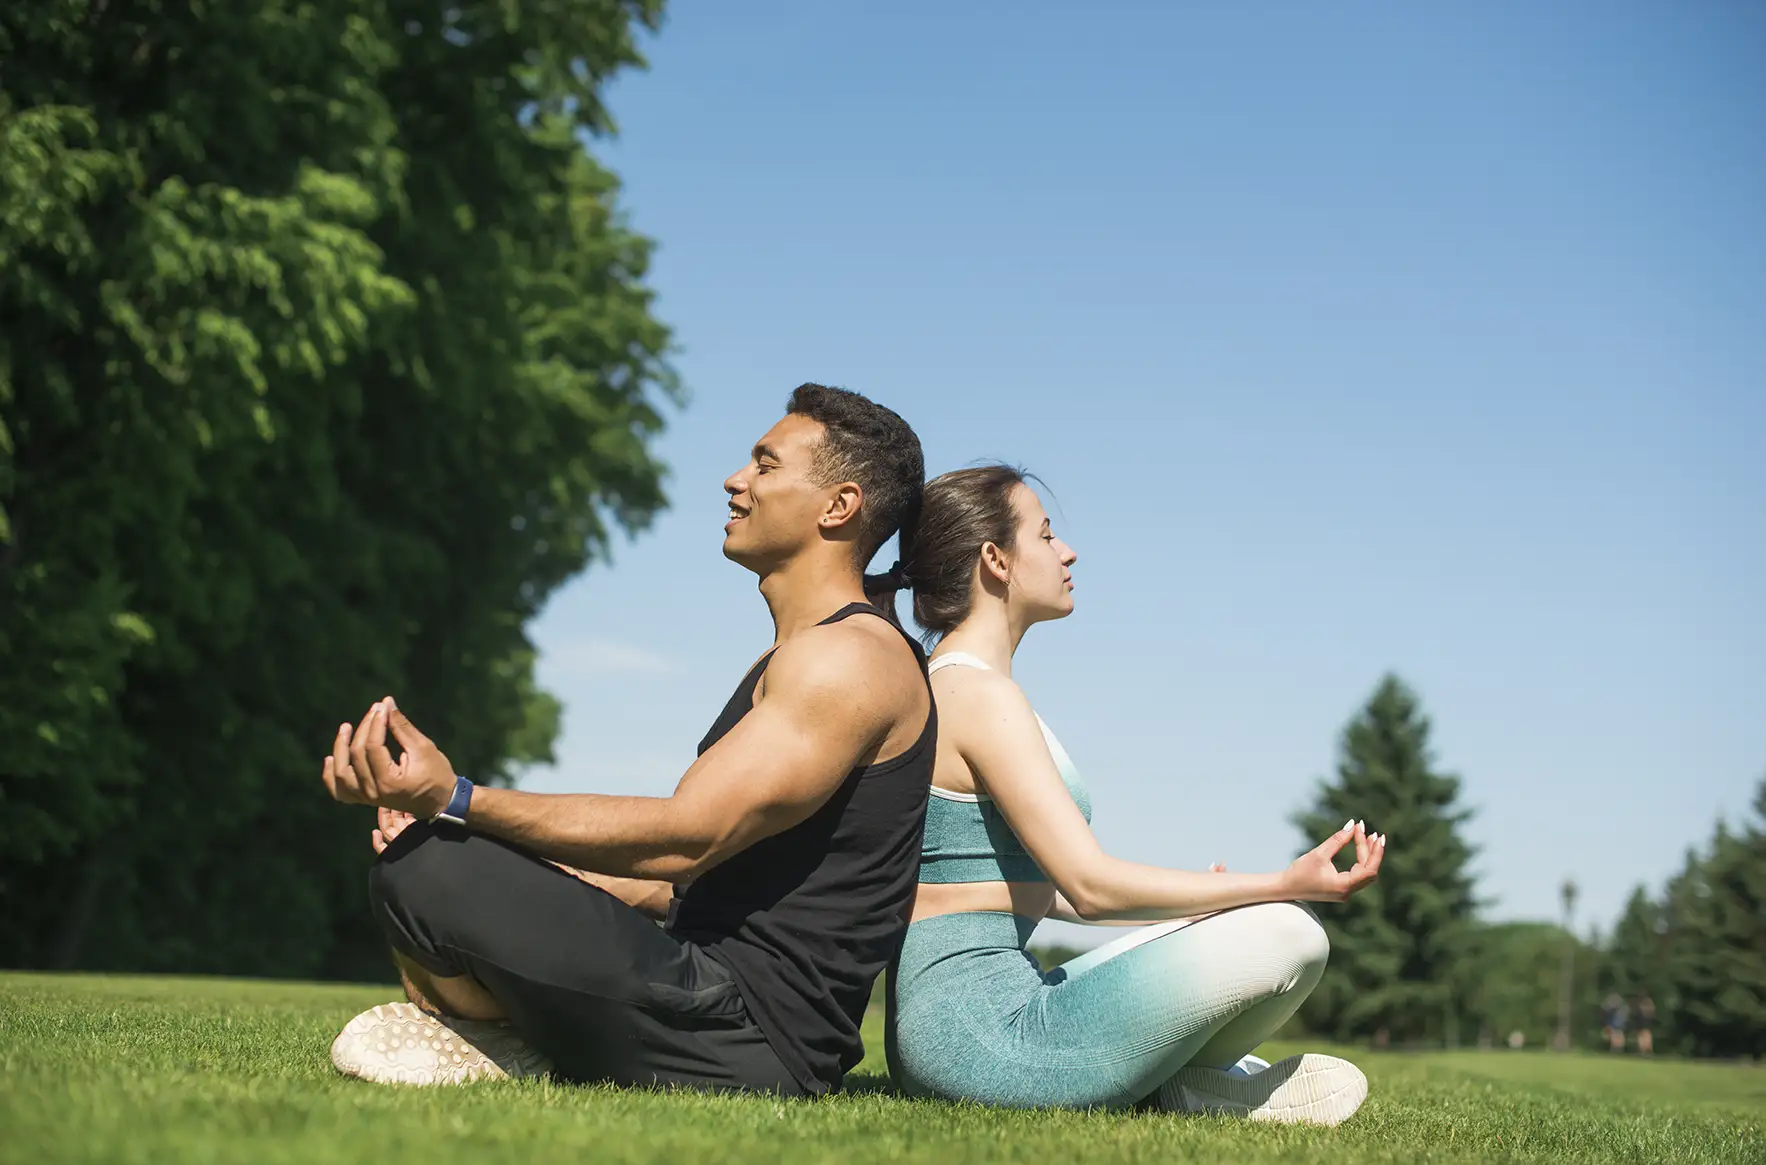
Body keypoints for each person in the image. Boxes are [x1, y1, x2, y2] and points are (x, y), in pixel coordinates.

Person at [320, 384, 934, 1097]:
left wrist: (455, 797)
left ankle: (514, 1039)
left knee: (433, 863)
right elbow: (687, 879)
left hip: (747, 1034)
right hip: (704, 989)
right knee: (428, 859)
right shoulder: (796, 659)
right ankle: (518, 1033)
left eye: (766, 465)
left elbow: (686, 839)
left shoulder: (850, 660)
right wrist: (503, 855)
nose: (736, 481)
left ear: (839, 505)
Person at [881, 465, 1386, 1125]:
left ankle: (1185, 1082)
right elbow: (1091, 885)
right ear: (996, 560)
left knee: (1260, 926)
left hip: (968, 1023)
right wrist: (1280, 882)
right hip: (977, 1034)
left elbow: (1044, 890)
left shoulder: (968, 687)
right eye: (1047, 534)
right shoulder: (976, 694)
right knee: (1290, 931)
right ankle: (1197, 1080)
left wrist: (1197, 909)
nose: (1069, 551)